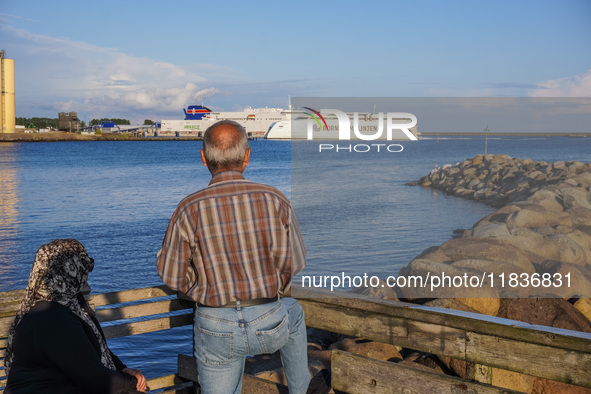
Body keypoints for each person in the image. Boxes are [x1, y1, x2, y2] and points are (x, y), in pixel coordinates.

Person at [157, 120, 310, 394]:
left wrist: (198, 283)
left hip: (216, 324)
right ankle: (300, 389)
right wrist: (274, 286)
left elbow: (171, 275)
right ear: (247, 156)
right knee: (295, 312)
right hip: (269, 320)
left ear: (203, 158)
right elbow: (295, 262)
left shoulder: (189, 208)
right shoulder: (275, 199)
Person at [4, 239, 147, 394]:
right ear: (69, 272)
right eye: (84, 268)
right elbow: (94, 377)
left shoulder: (70, 302)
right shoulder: (51, 317)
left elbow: (94, 347)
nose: (86, 275)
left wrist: (123, 368)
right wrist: (132, 384)